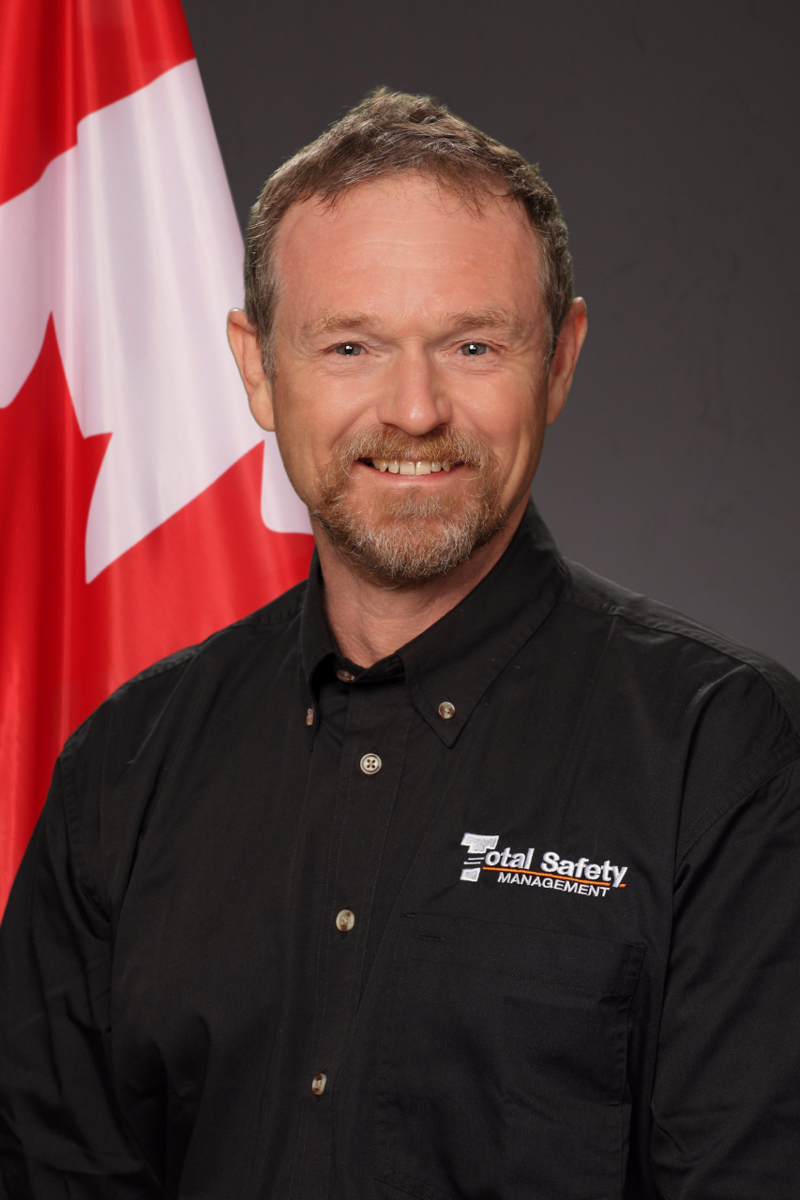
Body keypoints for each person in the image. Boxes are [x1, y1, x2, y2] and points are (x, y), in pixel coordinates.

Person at [1, 87, 799, 1200]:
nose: (412, 409)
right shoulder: (122, 773)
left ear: (559, 359)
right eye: (349, 345)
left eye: (472, 344)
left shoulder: (725, 755)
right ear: (255, 367)